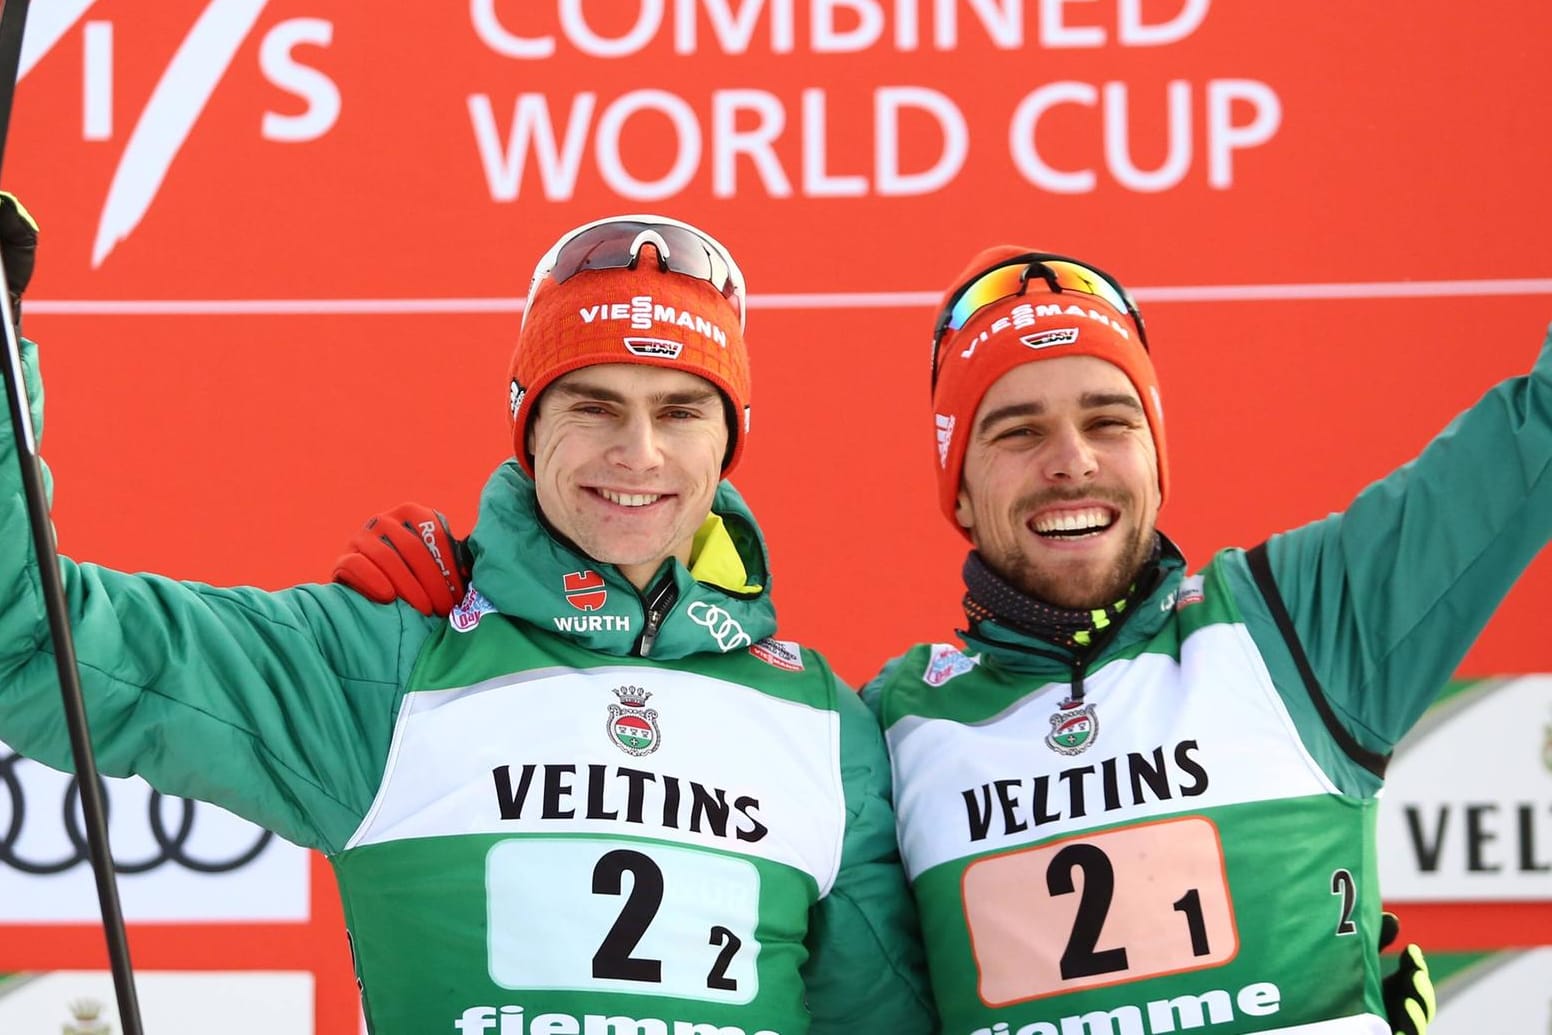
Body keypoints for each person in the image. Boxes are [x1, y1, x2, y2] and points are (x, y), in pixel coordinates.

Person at [338, 245, 1534, 1034]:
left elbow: (1526, 440)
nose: (1069, 460)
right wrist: (487, 602)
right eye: (1014, 431)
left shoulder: (1294, 629)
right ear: (956, 489)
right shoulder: (889, 727)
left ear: (1158, 456)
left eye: (1107, 420)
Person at [0, 201, 934, 1035]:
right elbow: (30, 642)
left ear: (728, 440)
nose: (639, 452)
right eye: (594, 405)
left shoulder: (823, 721)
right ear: (527, 422)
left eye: (682, 410)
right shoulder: (385, 660)